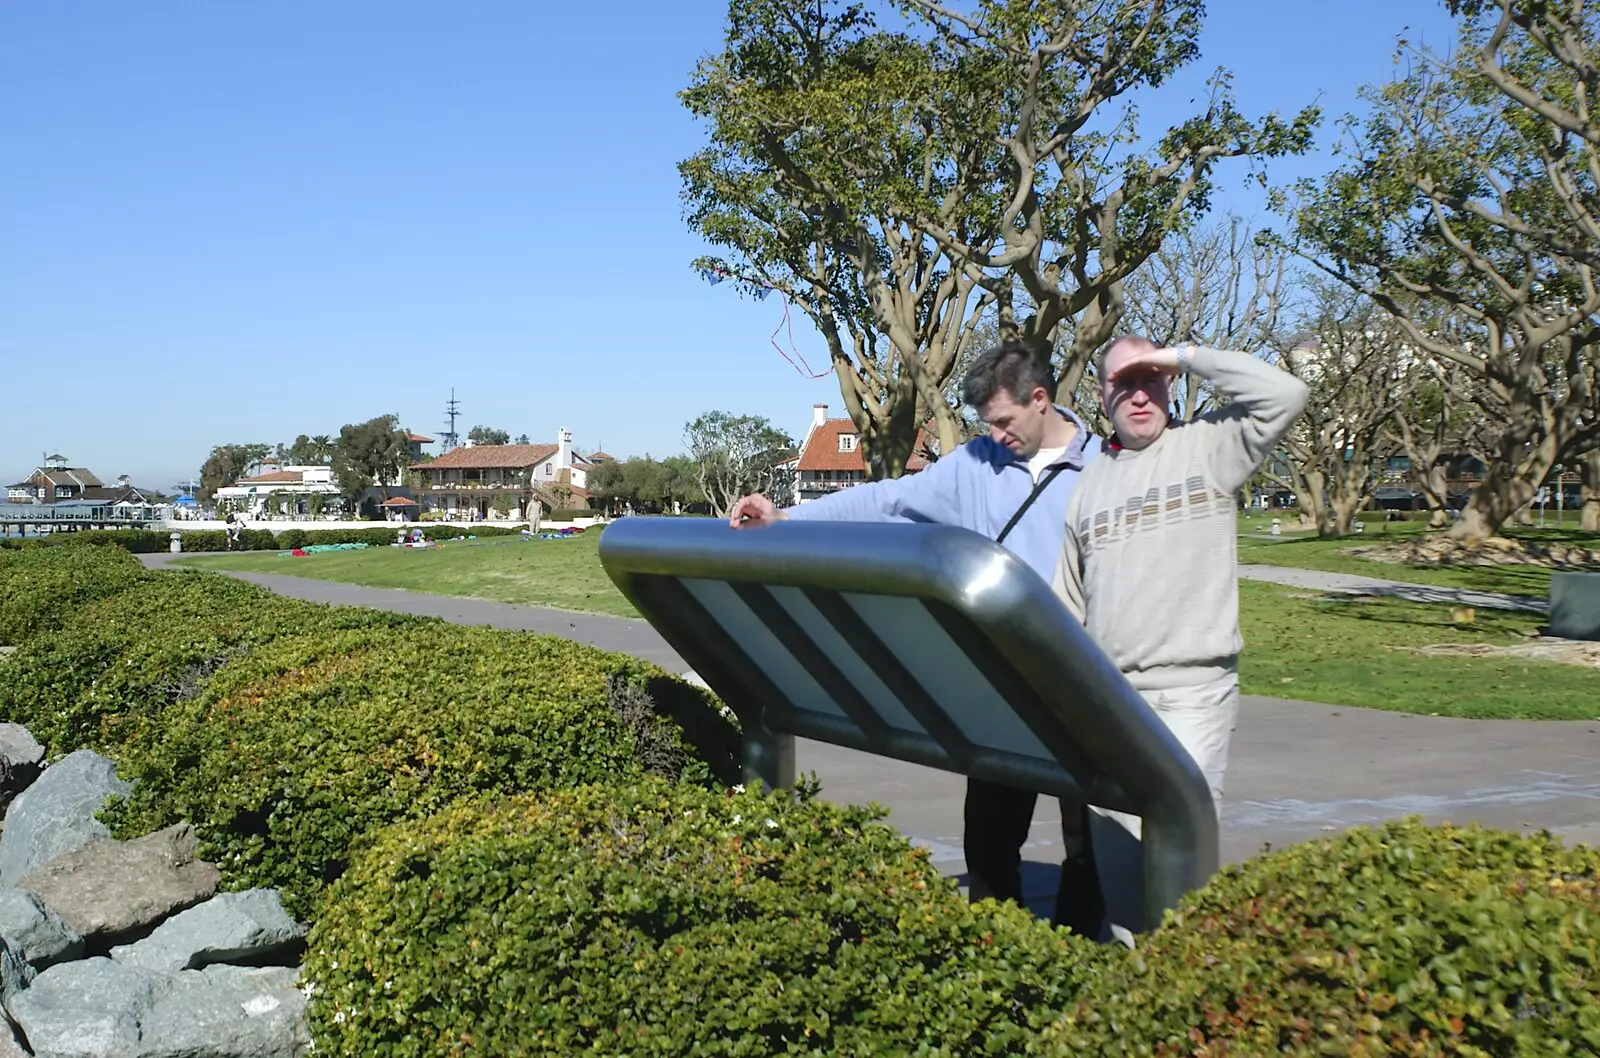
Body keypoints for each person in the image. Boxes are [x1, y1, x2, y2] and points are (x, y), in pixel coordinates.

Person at [729, 341, 1106, 934]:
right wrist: (786, 519)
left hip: (1083, 677)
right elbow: (887, 500)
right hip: (1003, 684)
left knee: (1090, 845)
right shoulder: (975, 463)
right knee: (989, 838)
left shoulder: (1106, 468)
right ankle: (994, 956)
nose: (997, 435)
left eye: (1005, 421)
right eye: (989, 423)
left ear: (1042, 400)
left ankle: (1087, 961)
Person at [1051, 336, 1308, 944]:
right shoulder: (1085, 487)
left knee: (1178, 859)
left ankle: (1187, 997)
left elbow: (1287, 394)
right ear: (1100, 395)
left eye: (1153, 380)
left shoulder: (1209, 447)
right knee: (1119, 877)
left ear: (1169, 384)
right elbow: (1067, 607)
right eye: (1124, 383)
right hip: (1112, 703)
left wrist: (1185, 356)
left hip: (1194, 692)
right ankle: (1134, 999)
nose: (1139, 395)